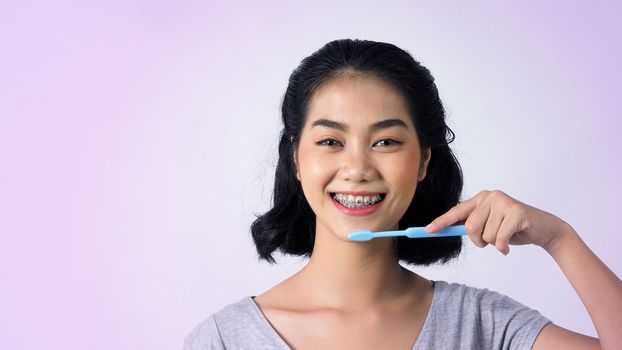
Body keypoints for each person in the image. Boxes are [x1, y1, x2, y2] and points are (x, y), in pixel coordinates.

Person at [185, 39, 622, 349]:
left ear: (424, 161)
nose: (357, 169)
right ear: (297, 159)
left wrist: (559, 239)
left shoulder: (483, 326)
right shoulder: (223, 339)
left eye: (386, 142)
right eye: (331, 142)